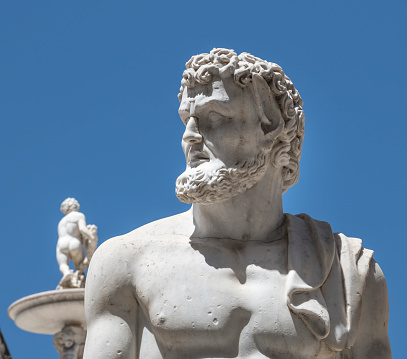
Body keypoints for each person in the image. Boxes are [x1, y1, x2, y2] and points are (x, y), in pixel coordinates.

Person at [84, 48, 391, 358]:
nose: (190, 136)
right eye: (186, 120)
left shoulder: (347, 270)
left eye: (213, 117)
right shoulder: (127, 262)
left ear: (270, 126)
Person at [56, 197, 97, 289]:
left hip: (61, 244)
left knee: (63, 265)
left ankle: (66, 273)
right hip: (74, 242)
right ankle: (79, 281)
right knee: (79, 267)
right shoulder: (78, 215)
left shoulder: (61, 222)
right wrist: (92, 237)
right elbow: (82, 229)